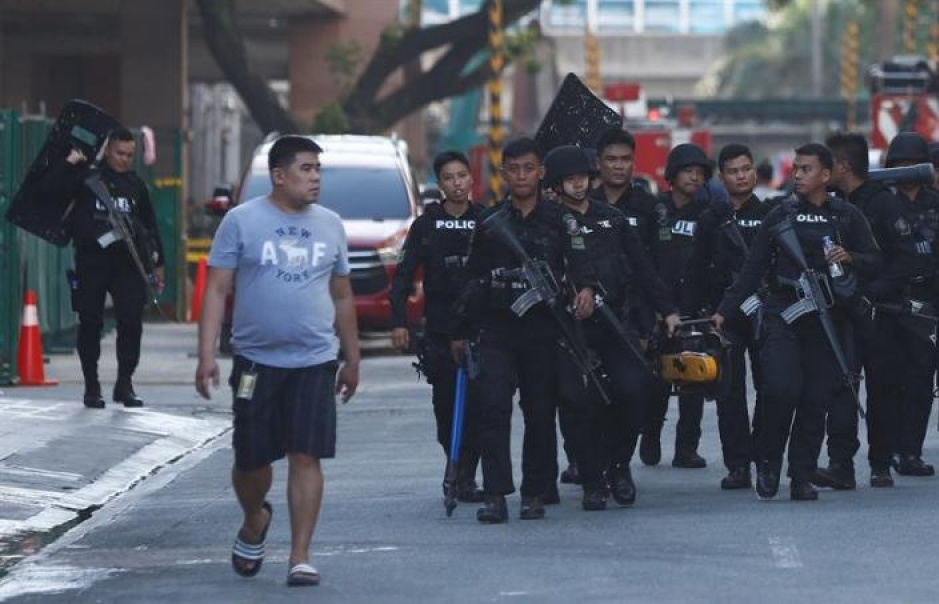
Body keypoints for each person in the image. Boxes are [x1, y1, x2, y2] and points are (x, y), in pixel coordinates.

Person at [195, 135, 360, 586]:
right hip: (254, 361)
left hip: (314, 359)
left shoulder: (331, 225)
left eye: (318, 170)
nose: (315, 178)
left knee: (306, 454)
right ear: (279, 175)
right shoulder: (241, 221)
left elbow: (342, 295)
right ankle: (254, 518)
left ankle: (300, 555)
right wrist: (207, 354)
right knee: (251, 461)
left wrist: (353, 357)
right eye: (306, 169)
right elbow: (216, 290)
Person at [713, 143, 881, 502]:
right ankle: (769, 462)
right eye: (797, 169)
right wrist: (724, 311)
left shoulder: (847, 216)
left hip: (827, 320)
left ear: (826, 174)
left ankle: (801, 474)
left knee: (815, 399)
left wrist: (849, 256)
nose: (798, 175)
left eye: (806, 169)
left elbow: (874, 260)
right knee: (779, 389)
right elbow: (751, 270)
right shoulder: (780, 216)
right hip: (783, 314)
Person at [452, 137, 597, 523]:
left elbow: (581, 261)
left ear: (541, 172)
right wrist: (462, 330)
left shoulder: (559, 219)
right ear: (504, 173)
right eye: (513, 169)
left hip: (544, 329)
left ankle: (535, 491)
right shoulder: (490, 223)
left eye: (528, 168)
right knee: (494, 408)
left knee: (539, 412)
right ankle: (495, 493)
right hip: (498, 328)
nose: (521, 175)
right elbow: (472, 278)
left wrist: (585, 289)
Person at [543, 145, 679, 511]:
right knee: (580, 403)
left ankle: (620, 465)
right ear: (556, 185)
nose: (577, 184)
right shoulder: (548, 222)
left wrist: (667, 311)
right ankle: (592, 479)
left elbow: (643, 268)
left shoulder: (612, 218)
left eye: (582, 177)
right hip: (569, 328)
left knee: (636, 389)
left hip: (616, 321)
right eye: (569, 179)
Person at [37, 128, 165, 409]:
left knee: (131, 322)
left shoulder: (136, 185)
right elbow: (50, 191)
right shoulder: (87, 178)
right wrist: (69, 164)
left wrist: (158, 264)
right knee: (90, 322)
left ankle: (124, 384)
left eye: (130, 155)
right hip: (92, 259)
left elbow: (150, 225)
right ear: (107, 150)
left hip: (128, 263)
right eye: (119, 153)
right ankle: (91, 386)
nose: (124, 159)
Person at [389, 150, 483, 503]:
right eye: (449, 178)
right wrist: (398, 321)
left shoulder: (486, 221)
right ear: (440, 184)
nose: (457, 183)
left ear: (471, 178)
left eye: (462, 175)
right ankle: (453, 461)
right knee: (445, 408)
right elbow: (402, 276)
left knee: (479, 407)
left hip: (479, 330)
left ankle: (468, 476)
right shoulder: (426, 226)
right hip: (440, 331)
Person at [819, 132, 907, 489]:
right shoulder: (831, 205)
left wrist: (871, 293)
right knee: (842, 386)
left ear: (842, 166)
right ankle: (841, 463)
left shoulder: (883, 204)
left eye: (828, 164)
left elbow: (905, 259)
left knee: (884, 388)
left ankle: (881, 463)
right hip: (842, 311)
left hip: (880, 313)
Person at [684, 143, 769, 489]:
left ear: (754, 172)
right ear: (722, 177)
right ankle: (738, 465)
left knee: (772, 389)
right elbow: (695, 271)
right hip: (723, 317)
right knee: (728, 394)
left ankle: (765, 457)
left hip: (764, 314)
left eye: (746, 168)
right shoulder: (710, 219)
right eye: (733, 171)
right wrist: (690, 316)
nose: (741, 175)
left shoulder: (771, 215)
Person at [871, 133, 939, 478]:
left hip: (926, 304)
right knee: (888, 379)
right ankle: (888, 449)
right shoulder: (880, 204)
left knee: (920, 379)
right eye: (900, 164)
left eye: (913, 163)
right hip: (888, 303)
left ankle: (910, 450)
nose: (906, 170)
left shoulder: (934, 203)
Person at [641, 143, 713, 469]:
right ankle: (651, 435)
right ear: (672, 175)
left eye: (700, 173)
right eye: (688, 171)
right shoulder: (654, 211)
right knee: (656, 381)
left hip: (695, 310)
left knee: (693, 380)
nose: (694, 177)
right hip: (658, 308)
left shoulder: (708, 214)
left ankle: (687, 448)